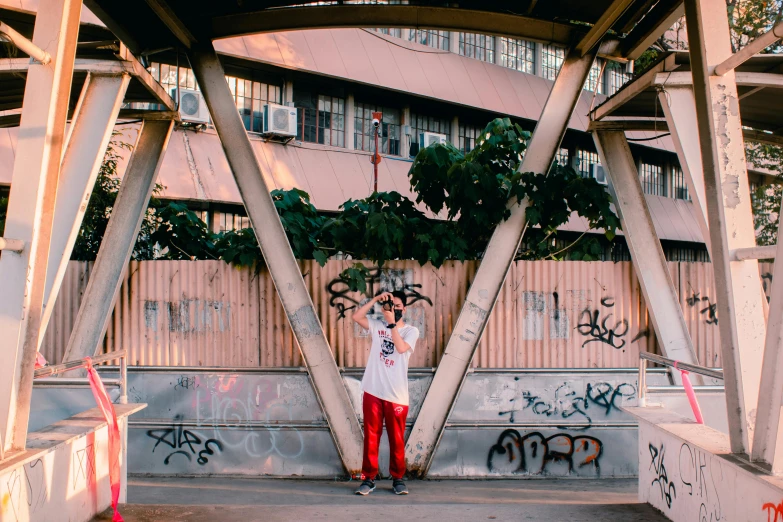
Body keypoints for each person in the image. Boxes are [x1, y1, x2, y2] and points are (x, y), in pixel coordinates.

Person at [352, 290, 419, 496]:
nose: (395, 309)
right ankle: (368, 478)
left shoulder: (411, 331)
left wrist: (391, 324)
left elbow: (400, 348)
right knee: (371, 437)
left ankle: (398, 479)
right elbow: (356, 317)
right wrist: (374, 299)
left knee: (396, 438)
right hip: (373, 390)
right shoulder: (378, 325)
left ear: (404, 309)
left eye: (398, 306)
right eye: (392, 305)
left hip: (396, 395)